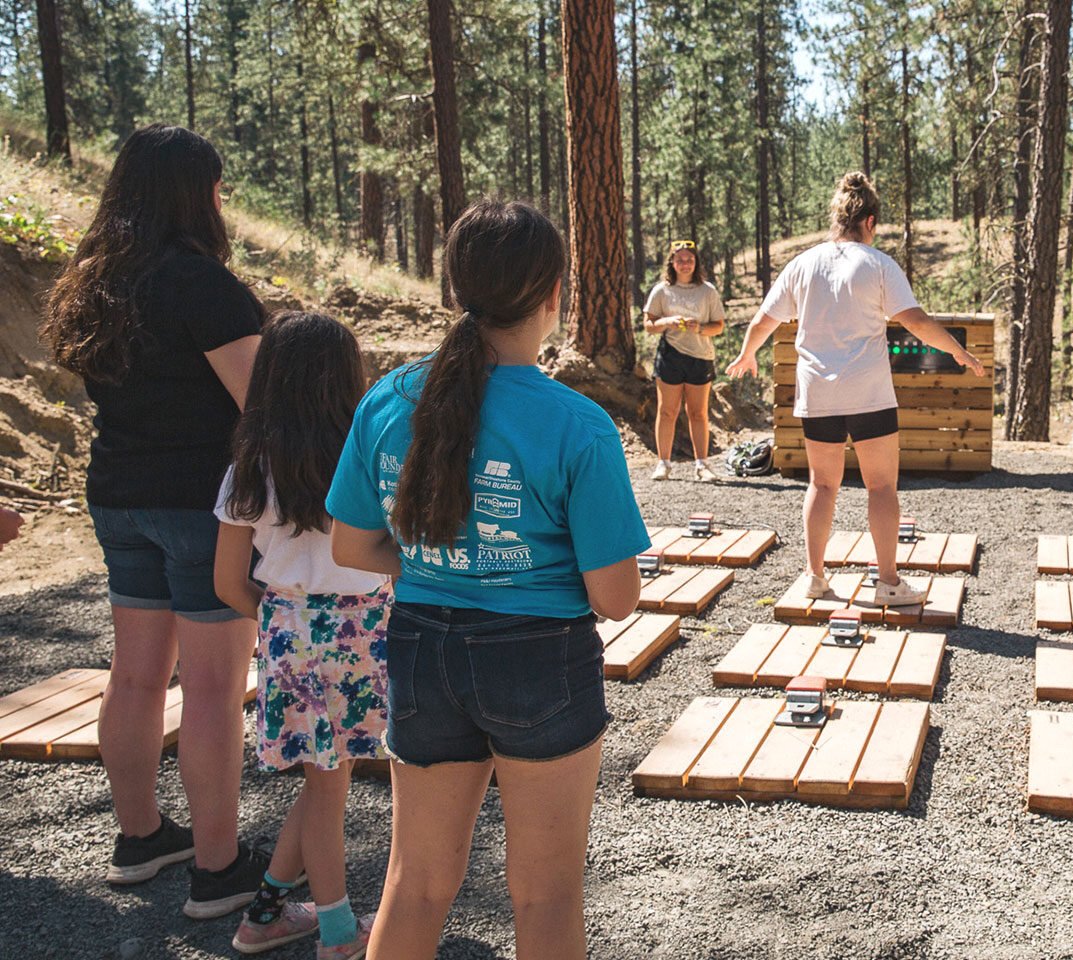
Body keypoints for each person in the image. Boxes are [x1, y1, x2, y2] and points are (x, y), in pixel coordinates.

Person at [325, 200, 646, 960]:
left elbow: (349, 543)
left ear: (452, 289)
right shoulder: (578, 424)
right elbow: (616, 597)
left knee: (415, 883)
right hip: (539, 658)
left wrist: (444, 567)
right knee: (544, 894)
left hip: (420, 648)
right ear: (554, 296)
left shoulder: (389, 398)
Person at [40, 124, 267, 917]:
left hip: (119, 497)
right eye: (215, 185)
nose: (220, 200)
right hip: (203, 506)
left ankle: (141, 837)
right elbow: (262, 408)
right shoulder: (201, 283)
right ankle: (219, 868)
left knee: (134, 675)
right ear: (193, 192)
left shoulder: (94, 278)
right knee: (212, 685)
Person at [212, 312, 388, 958]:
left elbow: (228, 582)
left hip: (287, 629)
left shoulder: (250, 465)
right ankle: (338, 933)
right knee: (328, 781)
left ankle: (264, 913)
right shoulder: (366, 458)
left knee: (324, 780)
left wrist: (284, 617)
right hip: (364, 630)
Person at [726, 172, 985, 606]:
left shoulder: (803, 263)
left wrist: (747, 353)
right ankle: (888, 583)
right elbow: (916, 322)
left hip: (818, 395)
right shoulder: (879, 264)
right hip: (868, 394)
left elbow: (762, 321)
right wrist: (960, 352)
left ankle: (814, 577)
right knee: (881, 487)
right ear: (869, 221)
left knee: (821, 485)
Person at [643, 239, 725, 482]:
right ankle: (663, 464)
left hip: (700, 356)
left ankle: (702, 465)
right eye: (680, 260)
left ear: (696, 262)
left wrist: (699, 328)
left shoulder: (707, 291)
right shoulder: (661, 291)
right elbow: (649, 325)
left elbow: (718, 326)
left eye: (689, 259)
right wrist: (667, 322)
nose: (685, 264)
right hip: (670, 355)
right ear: (672, 263)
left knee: (698, 413)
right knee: (667, 411)